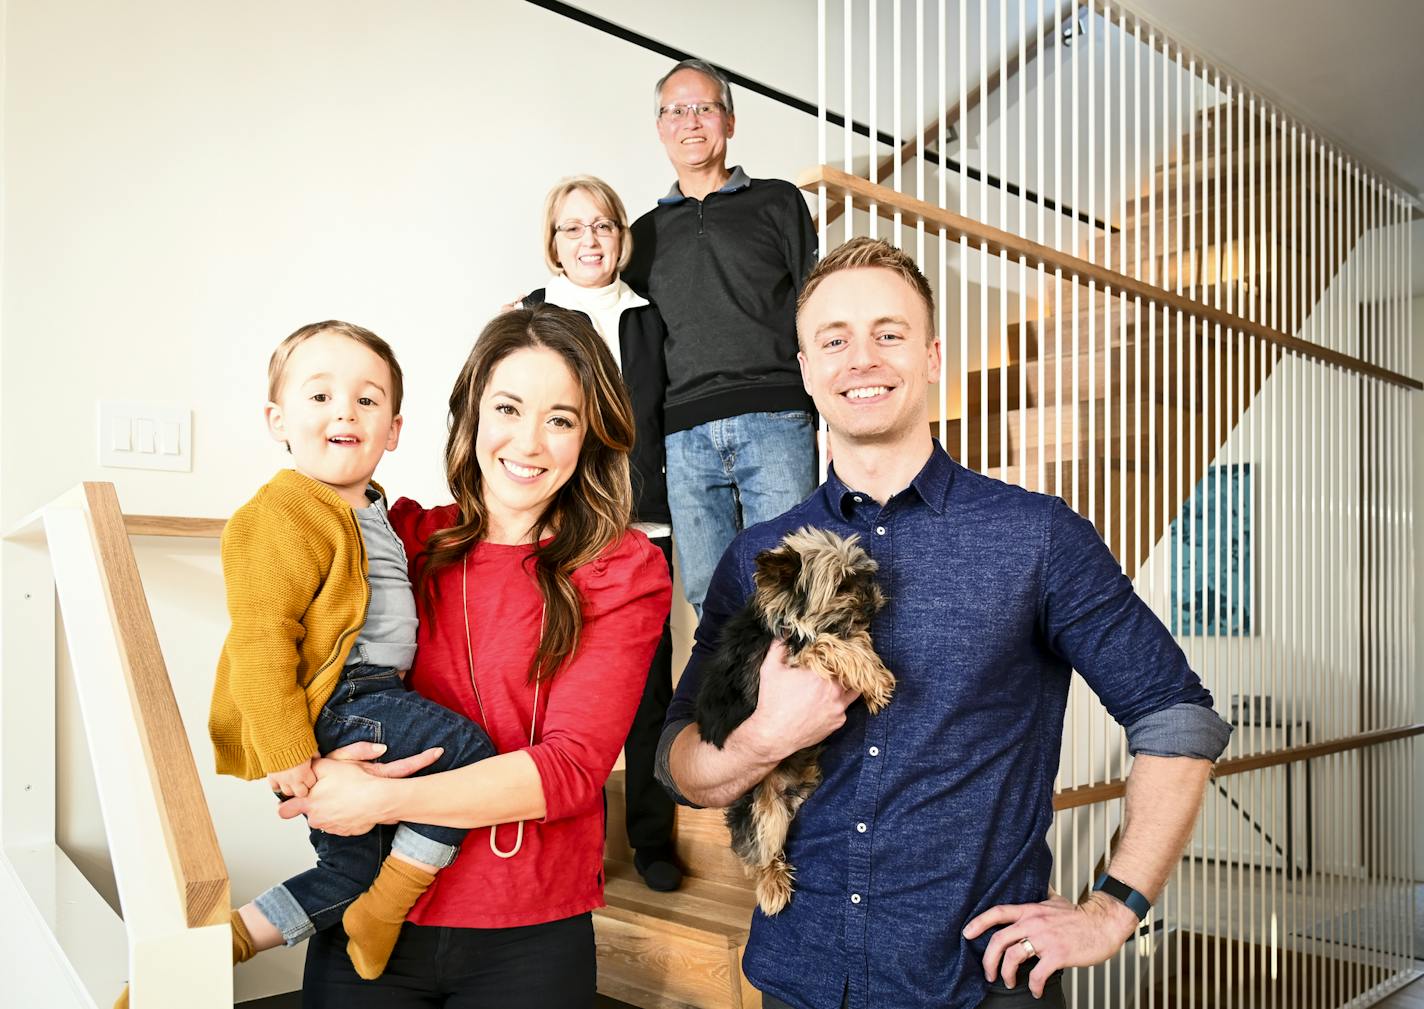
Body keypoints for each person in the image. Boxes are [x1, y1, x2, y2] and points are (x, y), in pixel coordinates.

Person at [657, 238, 1233, 1009]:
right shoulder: (758, 557)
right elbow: (676, 760)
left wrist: (1111, 909)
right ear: (805, 371)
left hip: (980, 986)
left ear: (930, 356)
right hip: (800, 978)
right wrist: (764, 737)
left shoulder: (1037, 537)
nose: (861, 358)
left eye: (888, 333)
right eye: (834, 339)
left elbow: (1178, 715)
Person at [281, 305, 672, 1008]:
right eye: (508, 407)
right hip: (366, 912)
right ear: (471, 415)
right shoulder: (398, 538)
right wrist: (305, 774)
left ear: (590, 436)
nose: (529, 440)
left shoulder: (622, 569)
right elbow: (293, 663)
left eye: (560, 417)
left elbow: (571, 768)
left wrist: (382, 796)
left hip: (526, 934)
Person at [201, 321, 498, 993]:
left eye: (367, 400)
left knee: (345, 869)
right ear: (278, 419)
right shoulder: (280, 511)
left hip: (373, 696)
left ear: (393, 428)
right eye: (320, 396)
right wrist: (287, 752)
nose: (344, 410)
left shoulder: (375, 511)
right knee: (470, 753)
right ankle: (392, 899)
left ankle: (230, 940)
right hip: (347, 698)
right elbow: (259, 633)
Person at [519, 175, 681, 892]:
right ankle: (564, 846)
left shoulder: (653, 318)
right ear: (552, 244)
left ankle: (652, 842)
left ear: (623, 236)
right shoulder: (529, 316)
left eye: (603, 226)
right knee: (553, 696)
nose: (589, 240)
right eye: (572, 228)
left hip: (646, 529)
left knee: (646, 697)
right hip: (557, 530)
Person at [624, 58, 819, 617]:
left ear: (729, 122)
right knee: (712, 601)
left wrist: (828, 416)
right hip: (683, 436)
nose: (691, 121)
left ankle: (802, 707)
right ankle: (736, 710)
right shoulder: (644, 235)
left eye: (705, 108)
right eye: (676, 110)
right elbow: (607, 306)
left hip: (777, 419)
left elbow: (815, 301)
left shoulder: (778, 201)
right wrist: (533, 303)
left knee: (792, 590)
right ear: (660, 127)